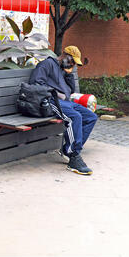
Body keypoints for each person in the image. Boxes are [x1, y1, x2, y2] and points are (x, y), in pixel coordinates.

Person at [29, 46, 98, 176]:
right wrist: (55, 92)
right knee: (75, 117)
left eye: (74, 63)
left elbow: (71, 91)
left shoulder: (63, 69)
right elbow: (35, 83)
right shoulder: (46, 64)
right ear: (65, 55)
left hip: (67, 102)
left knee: (91, 117)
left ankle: (69, 149)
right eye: (72, 61)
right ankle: (74, 156)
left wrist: (68, 73)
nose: (72, 64)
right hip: (51, 101)